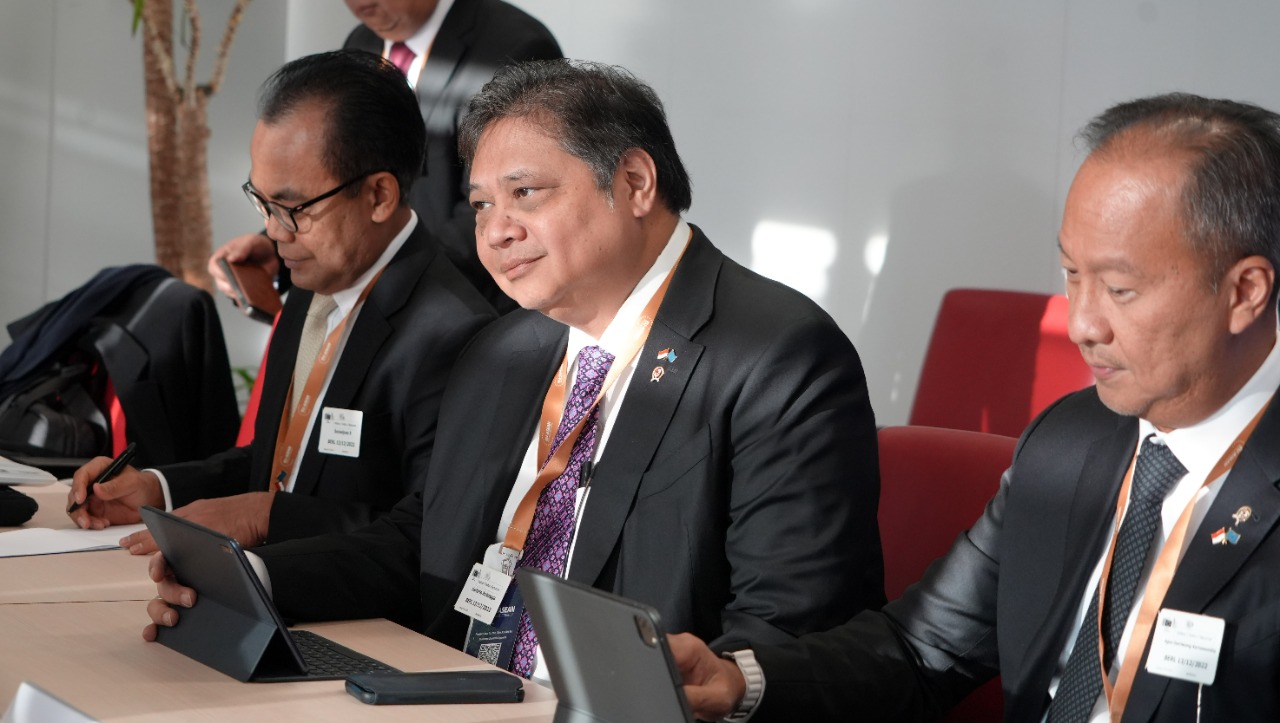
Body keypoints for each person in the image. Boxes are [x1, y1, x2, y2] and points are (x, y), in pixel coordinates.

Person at [145, 59, 885, 685]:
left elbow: (785, 632)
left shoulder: (776, 358)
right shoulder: (504, 351)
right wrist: (253, 581)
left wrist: (710, 684)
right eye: (480, 205)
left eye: (525, 194)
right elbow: (422, 543)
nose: (496, 231)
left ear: (634, 182)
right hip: (450, 688)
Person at [671, 92, 1280, 722]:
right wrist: (742, 681)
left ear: (1245, 292)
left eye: (1120, 289)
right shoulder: (1068, 442)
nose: (1082, 324)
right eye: (1072, 275)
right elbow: (921, 649)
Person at [67, 50, 495, 552]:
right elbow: (280, 465)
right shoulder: (310, 285)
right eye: (262, 202)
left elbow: (427, 535)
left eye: (291, 208)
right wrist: (158, 488)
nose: (272, 231)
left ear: (379, 196)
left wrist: (265, 517)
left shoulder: (454, 336)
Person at [209, 0, 561, 314]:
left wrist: (383, 281)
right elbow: (345, 180)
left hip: (466, 310)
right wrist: (279, 245)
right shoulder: (361, 42)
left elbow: (501, 209)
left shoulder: (517, 45)